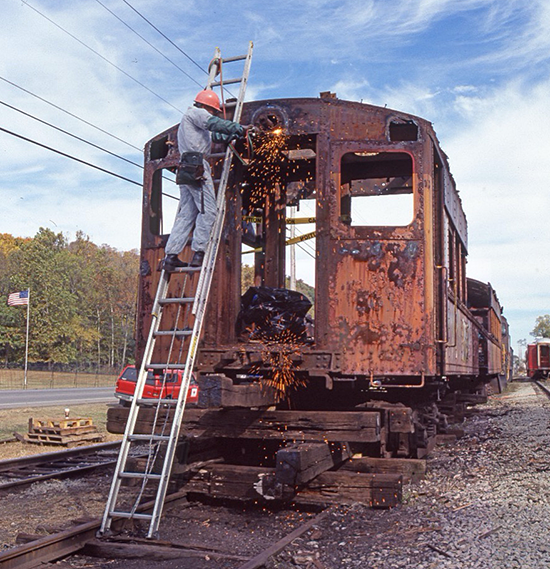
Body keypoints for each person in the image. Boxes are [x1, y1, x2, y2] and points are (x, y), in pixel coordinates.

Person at [163, 89, 248, 271]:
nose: (214, 113)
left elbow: (214, 135)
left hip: (186, 167)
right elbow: (214, 124)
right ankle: (199, 253)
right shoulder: (197, 113)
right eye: (214, 111)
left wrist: (234, 134)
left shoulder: (189, 120)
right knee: (209, 211)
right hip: (197, 166)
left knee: (187, 213)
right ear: (208, 107)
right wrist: (238, 128)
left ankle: (171, 256)